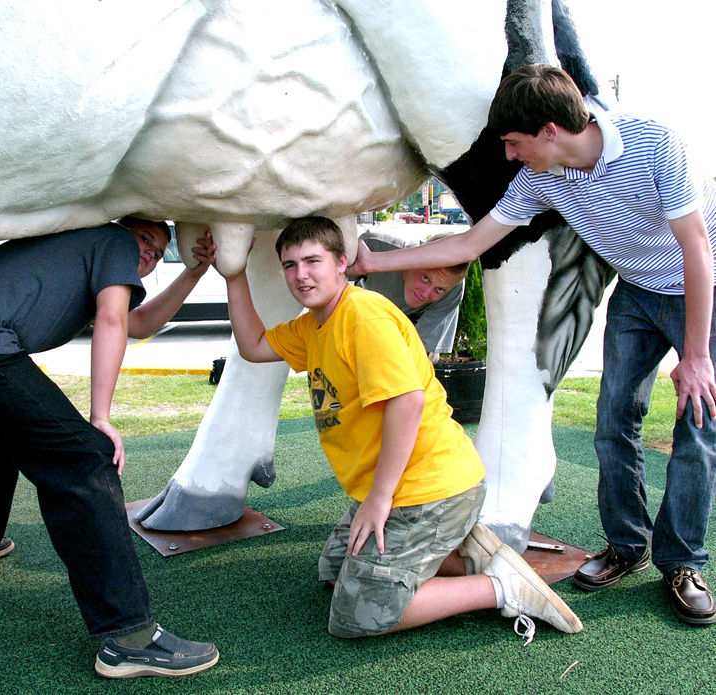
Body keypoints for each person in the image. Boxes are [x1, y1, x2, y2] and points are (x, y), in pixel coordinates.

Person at [348, 63, 716, 626]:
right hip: (638, 290)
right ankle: (627, 546)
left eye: (516, 143)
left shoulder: (654, 142)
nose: (511, 156)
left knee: (697, 426)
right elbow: (472, 241)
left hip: (699, 284)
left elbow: (697, 251)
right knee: (614, 421)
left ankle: (683, 563)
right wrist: (376, 261)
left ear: (550, 130)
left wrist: (696, 357)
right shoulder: (542, 177)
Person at [209, 215, 582, 640]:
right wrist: (233, 273)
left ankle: (500, 586)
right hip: (398, 489)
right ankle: (466, 556)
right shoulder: (313, 324)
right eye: (290, 265)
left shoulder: (362, 316)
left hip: (428, 491)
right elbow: (253, 347)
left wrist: (380, 500)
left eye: (313, 261)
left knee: (355, 617)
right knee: (333, 573)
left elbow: (408, 402)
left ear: (341, 263)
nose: (301, 274)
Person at [0, 216, 221, 678]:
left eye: (158, 249)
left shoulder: (90, 260)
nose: (147, 252)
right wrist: (100, 417)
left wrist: (194, 270)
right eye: (145, 238)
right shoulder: (110, 240)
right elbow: (110, 320)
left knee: (0, 425)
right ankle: (128, 637)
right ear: (124, 228)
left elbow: (136, 322)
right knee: (84, 458)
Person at [349, 229, 468, 360]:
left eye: (439, 289)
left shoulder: (453, 288)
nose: (425, 294)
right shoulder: (374, 248)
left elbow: (421, 349)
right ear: (414, 258)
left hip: (406, 332)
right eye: (425, 278)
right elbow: (328, 286)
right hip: (361, 315)